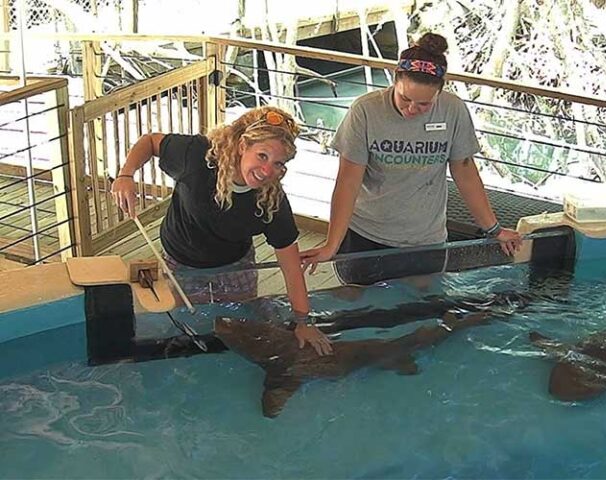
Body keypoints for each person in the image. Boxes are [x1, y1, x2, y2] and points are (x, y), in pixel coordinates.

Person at [300, 33, 522, 285]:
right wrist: (332, 243)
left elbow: (465, 172)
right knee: (359, 312)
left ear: (440, 91)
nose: (412, 109)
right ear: (395, 80)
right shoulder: (365, 110)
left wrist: (494, 229)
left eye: (424, 104)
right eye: (404, 98)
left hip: (426, 240)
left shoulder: (453, 110)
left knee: (422, 317)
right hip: (366, 234)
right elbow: (347, 182)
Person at [111, 105, 332, 356]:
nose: (267, 170)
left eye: (278, 163)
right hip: (181, 261)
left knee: (242, 330)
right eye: (262, 156)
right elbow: (151, 142)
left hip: (235, 265)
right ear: (242, 146)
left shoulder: (272, 201)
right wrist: (125, 174)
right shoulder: (196, 156)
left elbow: (291, 267)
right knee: (185, 331)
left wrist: (304, 323)